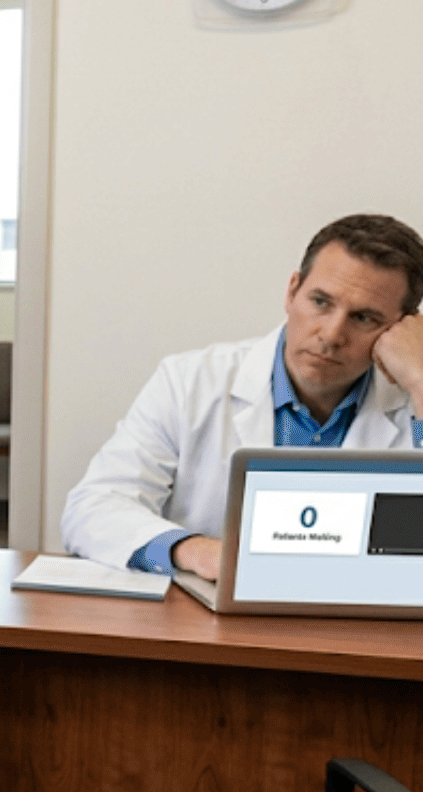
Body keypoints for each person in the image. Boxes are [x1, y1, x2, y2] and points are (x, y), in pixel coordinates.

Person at [63, 213, 423, 579]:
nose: (331, 334)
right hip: (206, 621)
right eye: (320, 301)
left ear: (404, 327)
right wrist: (194, 551)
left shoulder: (414, 400)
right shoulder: (190, 381)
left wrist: (421, 379)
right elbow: (92, 508)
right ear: (292, 290)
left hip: (357, 623)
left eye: (363, 318)